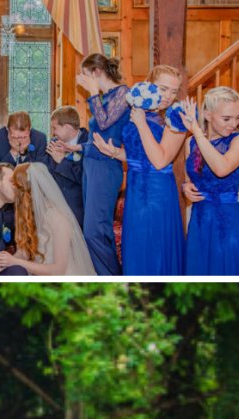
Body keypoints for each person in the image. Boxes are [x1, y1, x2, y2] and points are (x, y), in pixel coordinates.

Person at [95, 65, 186, 275]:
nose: (168, 97)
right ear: (149, 86)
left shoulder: (176, 118)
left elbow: (160, 160)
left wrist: (142, 124)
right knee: (137, 247)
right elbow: (138, 156)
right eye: (163, 89)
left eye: (174, 91)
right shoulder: (137, 112)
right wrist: (115, 153)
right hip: (135, 191)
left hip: (158, 193)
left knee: (156, 250)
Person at [75, 53, 130, 275]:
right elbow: (95, 137)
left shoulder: (123, 93)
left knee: (94, 231)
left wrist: (92, 93)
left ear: (97, 72)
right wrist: (77, 148)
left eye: (86, 75)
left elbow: (105, 124)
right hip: (91, 164)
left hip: (106, 166)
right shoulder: (103, 98)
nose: (84, 80)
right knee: (97, 230)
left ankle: (112, 278)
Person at [180, 88, 239, 275]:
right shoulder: (190, 143)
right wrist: (186, 187)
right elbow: (189, 178)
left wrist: (198, 132)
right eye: (227, 118)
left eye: (238, 117)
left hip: (227, 221)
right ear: (208, 114)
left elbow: (221, 168)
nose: (234, 124)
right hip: (199, 221)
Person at [0, 162, 97, 276]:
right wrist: (4, 264)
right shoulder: (26, 214)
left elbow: (58, 271)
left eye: (16, 188)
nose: (14, 193)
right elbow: (23, 253)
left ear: (25, 192)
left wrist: (16, 262)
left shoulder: (58, 219)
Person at [42, 106, 90, 227]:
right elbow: (47, 172)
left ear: (68, 127)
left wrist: (62, 161)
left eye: (55, 128)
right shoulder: (54, 143)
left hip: (80, 209)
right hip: (54, 207)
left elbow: (85, 179)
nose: (53, 132)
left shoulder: (89, 144)